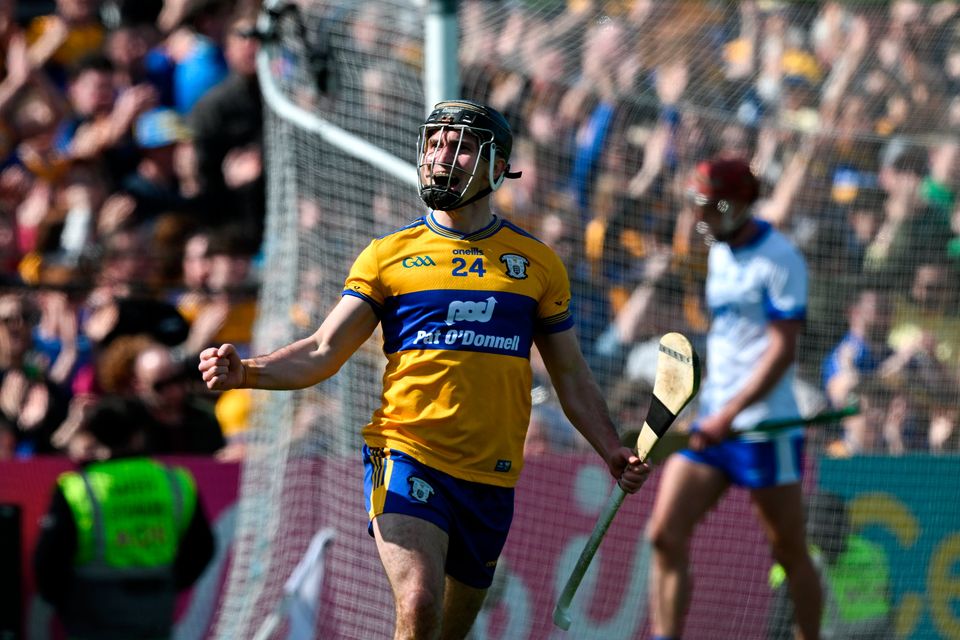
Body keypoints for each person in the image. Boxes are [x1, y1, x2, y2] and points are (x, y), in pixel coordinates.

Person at [199, 99, 651, 639]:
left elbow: (571, 375)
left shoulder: (537, 264)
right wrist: (247, 371)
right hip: (407, 454)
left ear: (497, 165)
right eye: (434, 143)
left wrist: (609, 447)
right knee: (417, 603)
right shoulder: (388, 256)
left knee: (441, 632)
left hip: (491, 478)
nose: (440, 156)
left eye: (458, 145)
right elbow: (323, 349)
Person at [645, 156, 823, 640]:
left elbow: (782, 351)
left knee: (788, 552)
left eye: (708, 208)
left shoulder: (780, 258)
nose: (699, 219)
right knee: (664, 535)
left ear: (736, 204)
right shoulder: (720, 253)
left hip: (763, 428)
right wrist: (712, 411)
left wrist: (729, 414)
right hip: (715, 425)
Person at [32, 395, 215, 640]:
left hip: (92, 609)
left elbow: (48, 562)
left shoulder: (78, 488)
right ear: (139, 434)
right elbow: (202, 548)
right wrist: (171, 584)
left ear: (96, 435)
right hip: (156, 604)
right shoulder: (175, 481)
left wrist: (65, 602)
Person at [767, 491, 892, 640]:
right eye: (824, 524)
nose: (831, 530)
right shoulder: (871, 552)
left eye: (835, 523)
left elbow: (777, 629)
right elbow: (778, 625)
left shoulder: (871, 553)